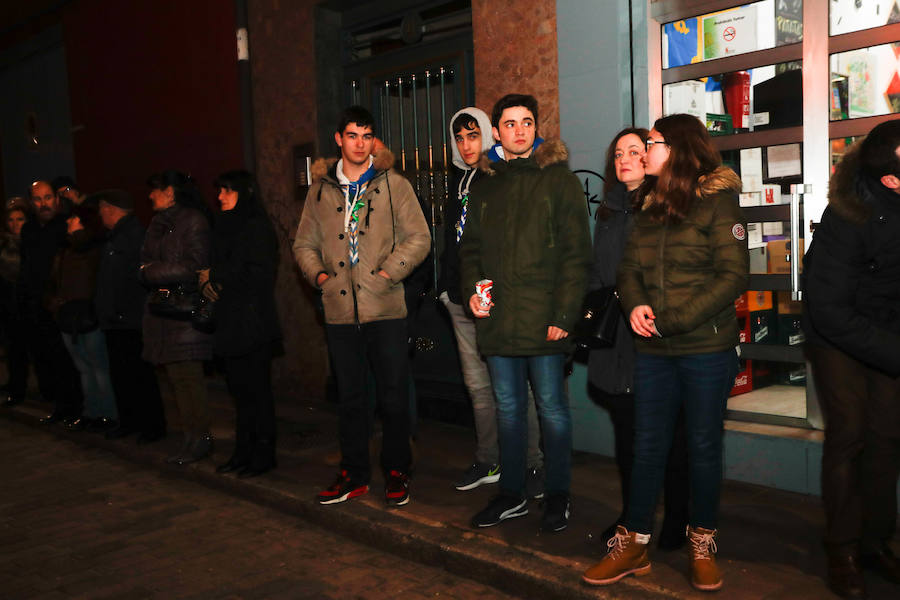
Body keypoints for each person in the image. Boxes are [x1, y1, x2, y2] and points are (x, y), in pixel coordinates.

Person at [582, 114, 747, 592]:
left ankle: (702, 544)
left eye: (651, 143)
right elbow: (628, 269)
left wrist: (669, 321)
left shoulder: (718, 202)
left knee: (702, 446)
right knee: (648, 445)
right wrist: (635, 305)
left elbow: (733, 277)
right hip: (653, 351)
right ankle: (633, 544)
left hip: (705, 349)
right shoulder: (651, 204)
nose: (644, 150)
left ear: (675, 149)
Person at [460, 93, 592, 532]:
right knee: (508, 411)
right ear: (497, 132)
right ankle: (511, 494)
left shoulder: (559, 180)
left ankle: (557, 495)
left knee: (552, 411)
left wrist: (564, 316)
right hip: (499, 321)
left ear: (537, 128)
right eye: (510, 123)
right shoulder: (485, 184)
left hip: (545, 321)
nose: (519, 130)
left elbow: (577, 254)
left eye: (527, 122)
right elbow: (470, 250)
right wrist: (473, 293)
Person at [293, 106, 430, 507]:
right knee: (351, 398)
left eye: (367, 136)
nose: (359, 143)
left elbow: (419, 237)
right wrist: (321, 277)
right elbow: (303, 244)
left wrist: (388, 273)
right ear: (339, 139)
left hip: (385, 309)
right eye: (352, 135)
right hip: (339, 312)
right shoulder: (320, 190)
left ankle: (397, 471)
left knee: (393, 397)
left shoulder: (393, 185)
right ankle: (353, 474)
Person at [802, 119, 900, 599]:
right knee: (850, 434)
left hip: (886, 328)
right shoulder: (848, 215)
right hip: (836, 336)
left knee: (887, 437)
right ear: (892, 179)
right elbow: (829, 309)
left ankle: (875, 542)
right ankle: (841, 548)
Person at [588, 127, 689, 549]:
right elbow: (598, 273)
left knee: (671, 434)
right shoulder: (608, 212)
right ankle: (633, 516)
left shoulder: (664, 206)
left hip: (653, 333)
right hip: (616, 338)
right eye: (618, 154)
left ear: (650, 157)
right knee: (627, 434)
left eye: (635, 150)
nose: (625, 159)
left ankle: (679, 519)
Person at [437, 106, 544, 494]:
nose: (467, 145)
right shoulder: (459, 181)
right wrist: (447, 289)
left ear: (489, 134)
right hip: (459, 297)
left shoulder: (500, 176)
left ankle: (532, 464)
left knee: (516, 387)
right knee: (477, 386)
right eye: (460, 138)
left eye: (474, 135)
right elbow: (454, 240)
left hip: (496, 298)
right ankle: (488, 459)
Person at [205, 170, 282, 479]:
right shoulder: (224, 225)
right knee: (238, 392)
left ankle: (263, 454)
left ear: (244, 192)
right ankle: (242, 451)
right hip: (230, 321)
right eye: (219, 190)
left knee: (257, 392)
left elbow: (259, 275)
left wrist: (218, 277)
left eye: (227, 190)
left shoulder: (256, 227)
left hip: (252, 323)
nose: (220, 196)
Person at [141, 171, 213, 465]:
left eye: (155, 190)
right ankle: (190, 437)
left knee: (189, 379)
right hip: (163, 311)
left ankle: (200, 438)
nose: (150, 196)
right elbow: (144, 258)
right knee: (176, 379)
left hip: (184, 311)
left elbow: (194, 265)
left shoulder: (193, 220)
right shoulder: (158, 223)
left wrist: (151, 272)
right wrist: (149, 270)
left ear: (170, 192)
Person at [94, 189, 167, 444]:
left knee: (139, 374)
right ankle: (130, 421)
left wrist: (122, 309)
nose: (100, 214)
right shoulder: (116, 237)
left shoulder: (134, 236)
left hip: (130, 320)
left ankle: (151, 426)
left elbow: (138, 279)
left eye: (102, 208)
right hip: (116, 319)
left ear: (111, 209)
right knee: (122, 375)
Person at [45, 199, 118, 433]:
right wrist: (56, 304)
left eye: (74, 218)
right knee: (84, 368)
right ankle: (91, 412)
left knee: (98, 368)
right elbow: (55, 282)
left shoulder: (95, 249)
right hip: (68, 317)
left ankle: (108, 414)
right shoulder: (65, 249)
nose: (69, 221)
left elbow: (102, 283)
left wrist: (95, 308)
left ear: (84, 222)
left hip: (88, 317)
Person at [19, 180, 83, 423]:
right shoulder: (29, 229)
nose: (43, 203)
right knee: (47, 357)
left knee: (68, 358)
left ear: (56, 199)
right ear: (31, 203)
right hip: (36, 303)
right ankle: (61, 406)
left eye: (47, 197)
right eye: (38, 199)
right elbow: (26, 265)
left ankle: (77, 408)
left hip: (62, 303)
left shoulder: (66, 225)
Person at [0, 198, 31, 406]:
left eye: (19, 219)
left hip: (29, 301)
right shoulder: (4, 243)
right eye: (11, 220)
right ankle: (16, 385)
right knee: (13, 347)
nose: (15, 224)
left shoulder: (32, 243)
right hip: (8, 302)